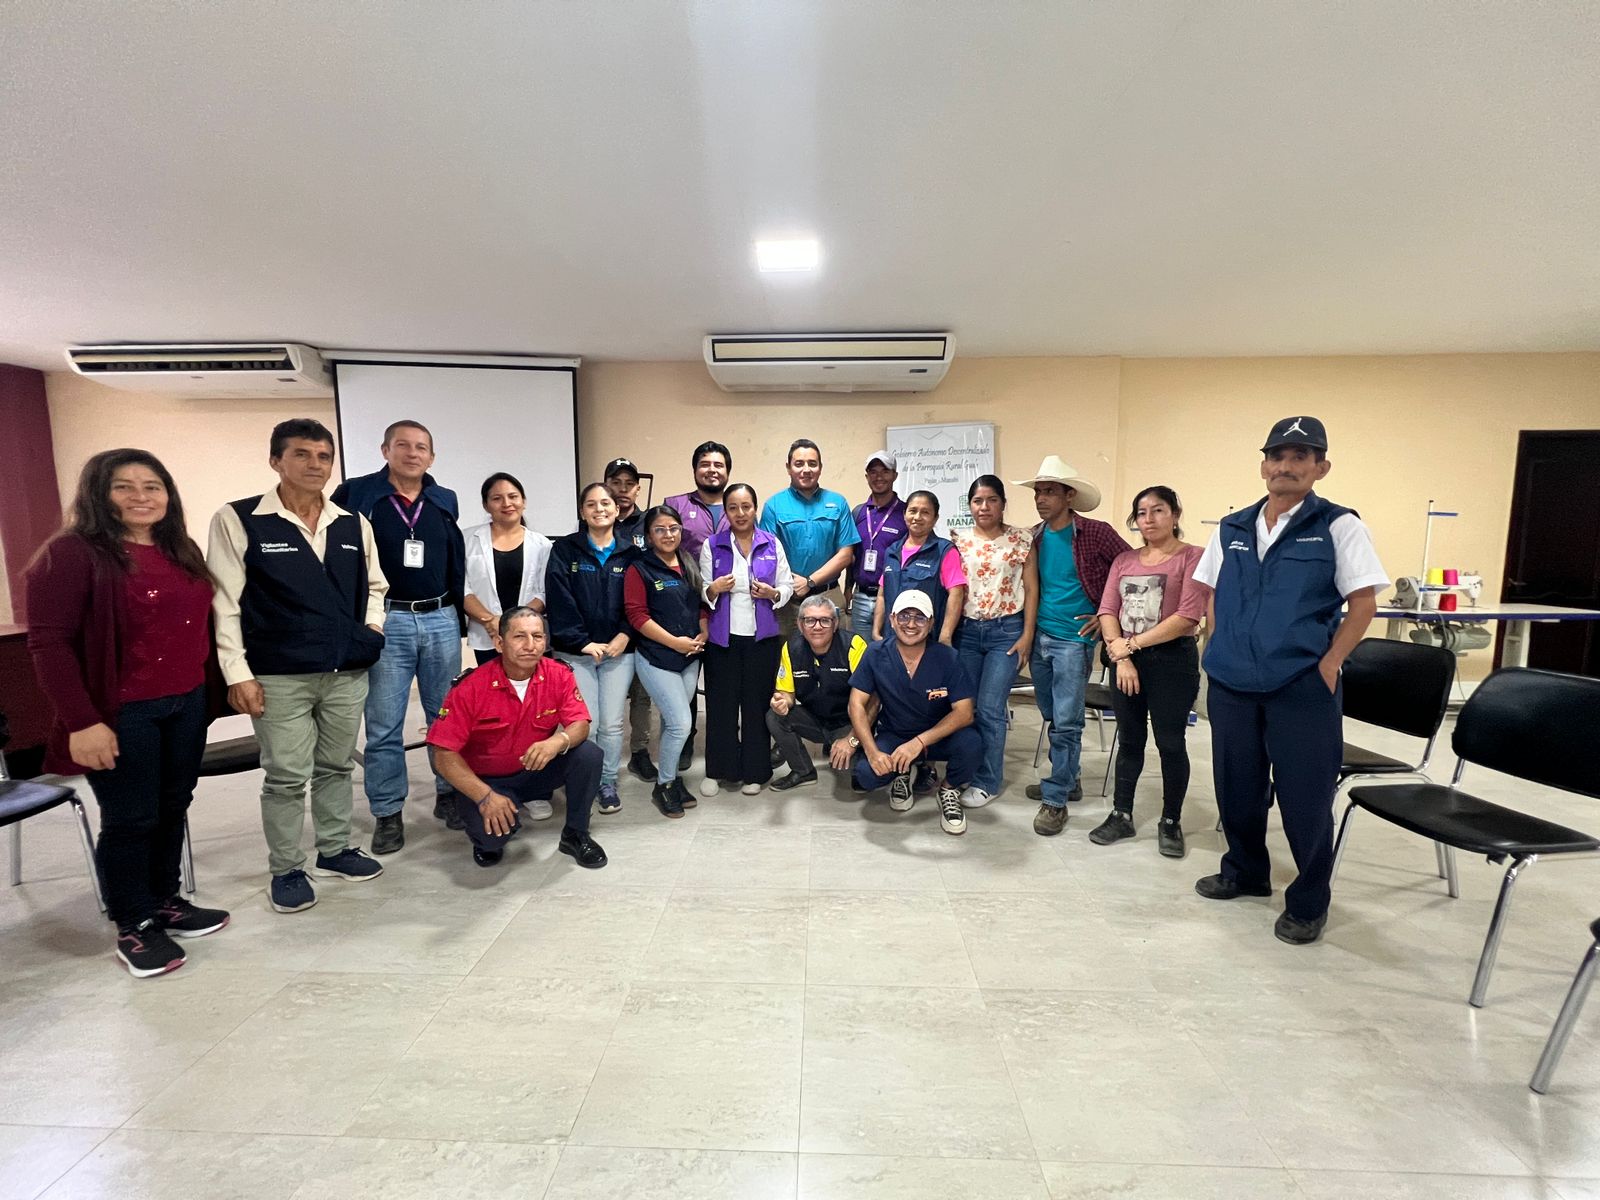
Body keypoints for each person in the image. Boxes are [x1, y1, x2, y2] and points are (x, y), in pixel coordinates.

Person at [24, 450, 228, 977]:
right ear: (99, 493)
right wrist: (81, 721)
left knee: (173, 805)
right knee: (131, 817)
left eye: (152, 486)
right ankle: (134, 922)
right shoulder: (71, 554)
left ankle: (164, 900)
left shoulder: (177, 548)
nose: (141, 496)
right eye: (124, 486)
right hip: (120, 711)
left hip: (185, 702)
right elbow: (49, 644)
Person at [1192, 417, 1388, 945]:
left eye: (1300, 457)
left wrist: (1330, 663)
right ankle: (1245, 871)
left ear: (1321, 467)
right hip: (1233, 681)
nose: (1286, 466)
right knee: (1236, 786)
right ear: (1263, 466)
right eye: (1277, 456)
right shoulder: (1232, 527)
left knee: (1305, 797)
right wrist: (1216, 645)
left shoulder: (1339, 526)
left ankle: (1308, 901)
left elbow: (1363, 603)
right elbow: (1211, 592)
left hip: (1300, 684)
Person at [209, 419, 387, 914]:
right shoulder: (240, 519)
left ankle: (334, 849)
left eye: (323, 456)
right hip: (278, 674)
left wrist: (371, 631)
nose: (315, 464)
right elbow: (224, 602)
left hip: (344, 670)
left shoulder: (352, 522)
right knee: (287, 774)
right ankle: (287, 868)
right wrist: (237, 673)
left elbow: (375, 585)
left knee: (336, 766)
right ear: (276, 461)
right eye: (302, 454)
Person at [332, 420, 466, 855]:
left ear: (432, 456)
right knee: (385, 724)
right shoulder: (357, 494)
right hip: (387, 619)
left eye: (421, 447)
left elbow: (452, 558)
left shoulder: (444, 498)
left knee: (445, 716)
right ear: (385, 450)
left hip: (441, 616)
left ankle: (449, 792)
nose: (412, 453)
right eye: (403, 445)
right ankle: (388, 811)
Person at [428, 607, 607, 869]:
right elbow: (443, 755)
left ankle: (576, 834)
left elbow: (580, 724)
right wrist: (485, 796)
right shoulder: (471, 687)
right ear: (499, 643)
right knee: (492, 842)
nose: (530, 645)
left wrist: (557, 741)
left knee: (589, 755)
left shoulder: (559, 674)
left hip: (535, 772)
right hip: (487, 780)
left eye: (537, 636)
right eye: (519, 636)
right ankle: (491, 828)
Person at [1017, 456, 1131, 836]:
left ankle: (1056, 800)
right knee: (1052, 714)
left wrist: (1106, 613)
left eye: (1049, 491)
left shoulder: (1095, 533)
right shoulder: (1033, 536)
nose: (1041, 498)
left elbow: (1132, 570)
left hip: (1073, 640)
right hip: (1041, 637)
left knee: (1067, 722)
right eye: (1038, 492)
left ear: (1069, 496)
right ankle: (1070, 779)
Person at [1091, 486, 1206, 858]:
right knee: (1130, 740)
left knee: (1170, 742)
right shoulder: (1124, 560)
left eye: (1158, 510)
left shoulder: (1192, 557)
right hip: (1126, 661)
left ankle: (1170, 821)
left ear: (1175, 514)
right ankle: (1121, 814)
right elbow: (1108, 610)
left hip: (1172, 661)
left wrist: (1131, 645)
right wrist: (1121, 655)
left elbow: (1187, 616)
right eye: (1142, 513)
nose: (1149, 519)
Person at [847, 590, 981, 836]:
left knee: (972, 745)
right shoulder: (875, 653)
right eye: (904, 616)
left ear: (931, 624)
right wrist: (872, 752)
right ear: (892, 619)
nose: (910, 624)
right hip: (896, 735)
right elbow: (856, 703)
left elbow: (964, 713)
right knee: (866, 775)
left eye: (920, 618)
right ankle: (903, 772)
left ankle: (948, 789)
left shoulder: (947, 657)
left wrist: (919, 743)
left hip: (938, 738)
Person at [543, 482, 637, 814]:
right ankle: (586, 777)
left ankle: (607, 781)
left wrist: (625, 634)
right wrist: (582, 642)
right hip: (575, 652)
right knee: (588, 722)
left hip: (618, 652)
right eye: (592, 504)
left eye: (606, 503)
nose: (599, 509)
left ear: (617, 509)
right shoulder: (565, 550)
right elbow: (558, 598)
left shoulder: (631, 554)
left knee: (612, 723)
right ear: (583, 512)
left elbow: (637, 602)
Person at [699, 482, 793, 796]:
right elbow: (702, 588)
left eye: (746, 507)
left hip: (761, 639)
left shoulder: (771, 543)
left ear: (755, 509)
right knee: (721, 706)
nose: (740, 513)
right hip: (722, 640)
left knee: (756, 705)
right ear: (725, 512)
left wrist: (773, 593)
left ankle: (756, 771)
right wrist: (713, 589)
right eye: (733, 508)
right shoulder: (713, 545)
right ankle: (718, 770)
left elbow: (787, 586)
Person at [952, 474, 1038, 808]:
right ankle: (966, 769)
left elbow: (1031, 588)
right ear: (969, 506)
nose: (984, 507)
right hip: (967, 632)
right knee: (966, 707)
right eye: (977, 501)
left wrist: (1027, 634)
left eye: (992, 500)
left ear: (1003, 503)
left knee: (990, 708)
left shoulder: (1022, 539)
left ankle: (988, 780)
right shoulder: (958, 540)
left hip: (1006, 632)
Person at [625, 504, 709, 818]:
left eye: (673, 528)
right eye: (659, 530)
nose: (668, 534)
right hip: (656, 658)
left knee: (674, 724)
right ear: (649, 536)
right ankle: (664, 786)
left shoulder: (687, 562)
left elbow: (700, 604)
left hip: (689, 657)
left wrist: (703, 630)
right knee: (681, 723)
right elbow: (637, 616)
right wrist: (675, 642)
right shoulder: (639, 568)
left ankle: (671, 777)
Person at [767, 593, 869, 789]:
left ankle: (846, 748)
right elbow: (786, 693)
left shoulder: (854, 645)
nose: (817, 626)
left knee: (861, 778)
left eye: (825, 620)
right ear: (800, 624)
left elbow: (870, 703)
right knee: (774, 716)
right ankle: (803, 771)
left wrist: (851, 739)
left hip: (848, 722)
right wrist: (782, 703)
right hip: (815, 720)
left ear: (835, 623)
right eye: (810, 620)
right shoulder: (791, 648)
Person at [758, 439, 859, 637]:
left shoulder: (838, 503)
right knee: (788, 653)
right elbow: (768, 555)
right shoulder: (774, 505)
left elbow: (846, 554)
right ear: (788, 468)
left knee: (836, 652)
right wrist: (791, 582)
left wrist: (810, 581)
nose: (806, 470)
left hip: (829, 595)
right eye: (799, 464)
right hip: (789, 600)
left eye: (812, 464)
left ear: (820, 468)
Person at [606, 456, 665, 786]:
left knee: (642, 694)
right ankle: (605, 756)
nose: (622, 489)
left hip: (642, 622)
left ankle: (640, 752)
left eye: (629, 484)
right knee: (610, 696)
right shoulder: (594, 520)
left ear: (638, 489)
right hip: (607, 623)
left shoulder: (649, 523)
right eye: (616, 483)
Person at [462, 472, 551, 667]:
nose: (506, 503)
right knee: (491, 684)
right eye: (497, 498)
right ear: (486, 505)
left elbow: (544, 592)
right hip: (487, 632)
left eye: (513, 496)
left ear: (523, 501)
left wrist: (514, 623)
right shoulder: (467, 540)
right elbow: (462, 588)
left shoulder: (542, 544)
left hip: (528, 634)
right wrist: (490, 621)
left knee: (530, 685)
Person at [873, 489, 967, 645]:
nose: (917, 517)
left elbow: (956, 594)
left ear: (935, 518)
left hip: (928, 641)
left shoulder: (944, 551)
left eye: (925, 512)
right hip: (892, 639)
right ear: (904, 514)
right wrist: (876, 630)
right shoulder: (892, 551)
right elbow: (882, 595)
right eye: (913, 511)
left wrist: (945, 636)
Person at [844, 451, 906, 642]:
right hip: (860, 597)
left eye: (885, 471)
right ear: (867, 477)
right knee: (861, 652)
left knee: (890, 652)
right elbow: (851, 553)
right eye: (873, 472)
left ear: (895, 475)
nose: (879, 477)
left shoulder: (906, 513)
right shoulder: (858, 513)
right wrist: (848, 588)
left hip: (892, 596)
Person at [664, 440, 732, 562]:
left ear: (728, 472)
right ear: (694, 471)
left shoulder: (741, 509)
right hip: (686, 574)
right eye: (705, 465)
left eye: (718, 465)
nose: (712, 470)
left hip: (732, 575)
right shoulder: (674, 506)